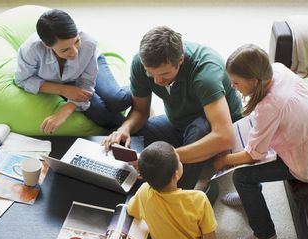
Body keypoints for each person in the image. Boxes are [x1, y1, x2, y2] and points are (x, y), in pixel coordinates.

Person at [213, 44, 308, 239]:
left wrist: (223, 160)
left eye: (236, 83)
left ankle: (264, 235)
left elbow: (253, 155)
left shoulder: (269, 106)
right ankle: (249, 198)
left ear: (254, 80)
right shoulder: (278, 69)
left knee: (242, 177)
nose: (233, 87)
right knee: (253, 145)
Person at [104, 26, 242, 189]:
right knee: (130, 137)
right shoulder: (140, 64)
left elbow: (224, 137)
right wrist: (124, 128)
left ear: (181, 60)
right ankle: (133, 183)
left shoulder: (205, 74)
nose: (157, 81)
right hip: (178, 122)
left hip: (214, 130)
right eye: (151, 74)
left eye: (164, 75)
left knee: (198, 130)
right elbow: (141, 111)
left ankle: (180, 192)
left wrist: (168, 158)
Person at [14, 9, 131, 134]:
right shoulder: (31, 50)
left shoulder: (88, 43)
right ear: (47, 46)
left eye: (76, 42)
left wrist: (67, 109)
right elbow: (22, 79)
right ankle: (133, 130)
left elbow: (87, 82)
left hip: (88, 66)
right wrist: (62, 89)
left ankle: (142, 85)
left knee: (117, 100)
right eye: (65, 50)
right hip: (60, 82)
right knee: (97, 110)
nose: (75, 52)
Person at [127, 141, 218, 239]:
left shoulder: (143, 192)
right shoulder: (199, 200)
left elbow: (131, 210)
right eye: (179, 160)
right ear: (176, 174)